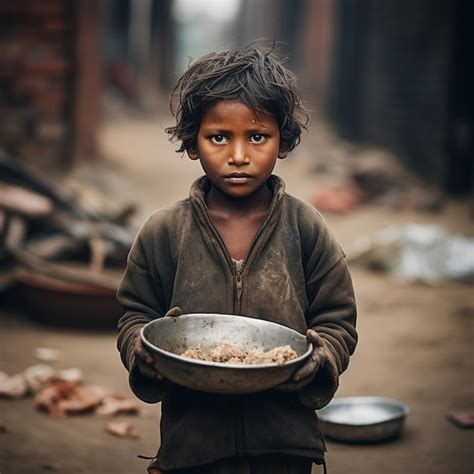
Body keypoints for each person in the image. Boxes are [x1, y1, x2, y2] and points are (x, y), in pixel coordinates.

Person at [117, 46, 357, 474]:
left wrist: (319, 356)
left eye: (257, 136)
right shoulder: (164, 231)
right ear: (193, 143)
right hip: (194, 441)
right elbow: (135, 314)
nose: (239, 156)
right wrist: (144, 349)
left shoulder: (306, 227)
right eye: (219, 137)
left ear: (283, 141)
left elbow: (338, 320)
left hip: (285, 442)